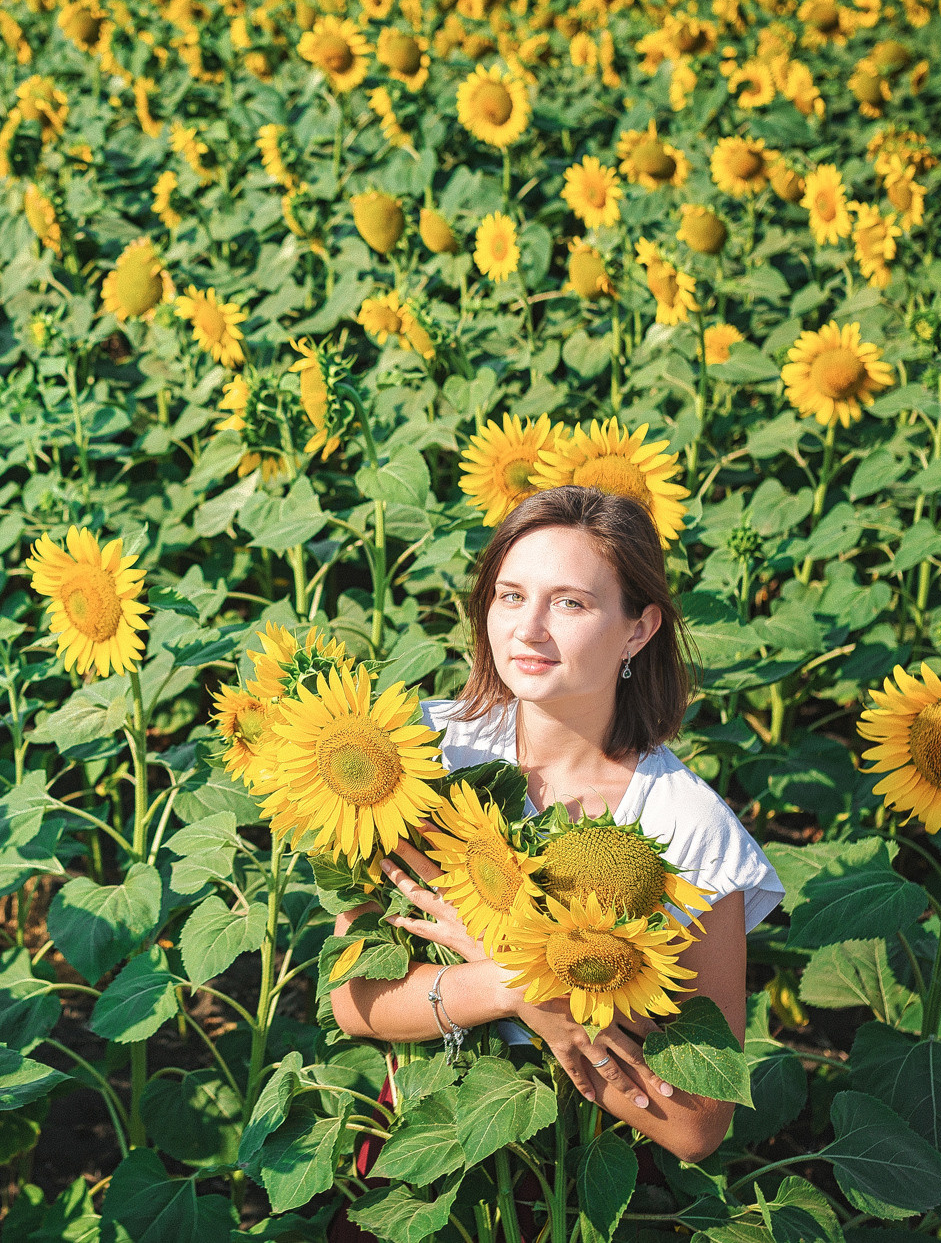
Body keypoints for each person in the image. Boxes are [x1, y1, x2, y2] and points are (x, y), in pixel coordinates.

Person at [328, 484, 783, 1163]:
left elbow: (698, 1123)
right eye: (511, 595)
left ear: (639, 628)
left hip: (568, 1176)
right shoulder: (415, 753)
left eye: (569, 602)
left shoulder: (686, 826)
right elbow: (355, 997)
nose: (528, 627)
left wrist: (525, 979)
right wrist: (520, 988)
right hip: (419, 1149)